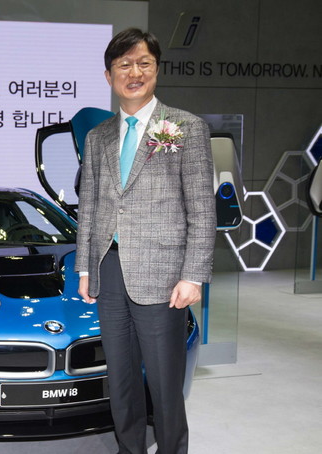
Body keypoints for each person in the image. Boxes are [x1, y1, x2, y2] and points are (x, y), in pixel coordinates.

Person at [75, 28, 216, 454]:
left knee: (165, 382)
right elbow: (90, 208)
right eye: (124, 65)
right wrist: (85, 268)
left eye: (144, 64)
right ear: (109, 75)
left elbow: (202, 210)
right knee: (120, 379)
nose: (134, 73)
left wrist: (193, 276)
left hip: (164, 275)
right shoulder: (98, 137)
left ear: (156, 69)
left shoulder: (186, 128)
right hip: (110, 269)